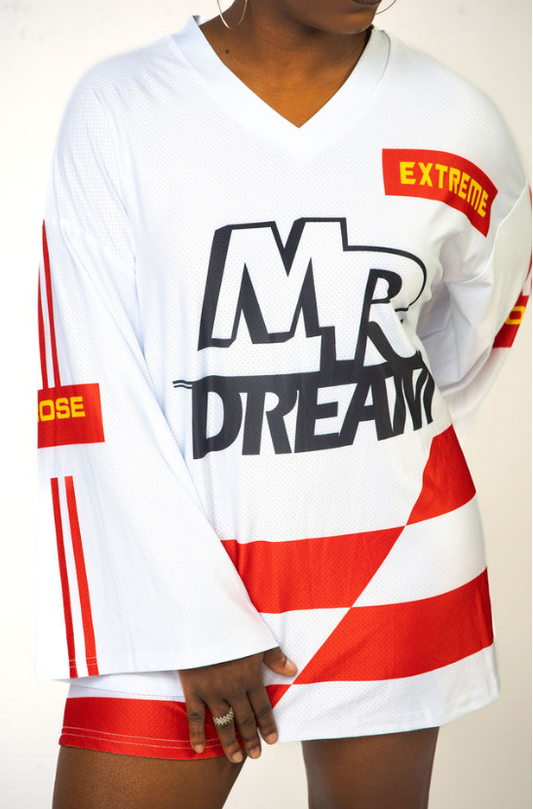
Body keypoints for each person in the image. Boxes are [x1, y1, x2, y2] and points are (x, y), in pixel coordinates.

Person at [36, 1, 531, 807]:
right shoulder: (123, 106)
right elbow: (89, 379)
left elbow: (477, 328)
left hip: (392, 563)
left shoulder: (456, 119)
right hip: (170, 574)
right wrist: (193, 618)